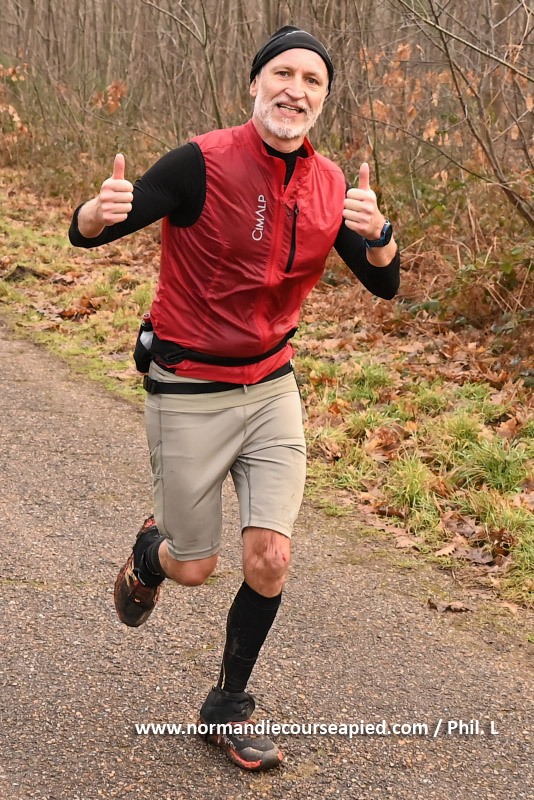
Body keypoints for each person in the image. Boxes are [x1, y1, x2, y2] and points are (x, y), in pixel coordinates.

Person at [69, 25, 400, 771]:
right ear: (255, 84)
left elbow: (384, 282)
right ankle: (152, 555)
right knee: (195, 567)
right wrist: (96, 212)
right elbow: (92, 231)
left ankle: (227, 707)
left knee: (270, 558)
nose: (295, 91)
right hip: (190, 388)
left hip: (272, 387)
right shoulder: (201, 163)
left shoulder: (331, 185)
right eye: (283, 74)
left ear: (324, 99)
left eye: (312, 81)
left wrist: (380, 234)